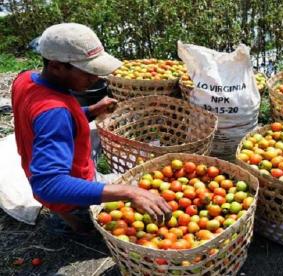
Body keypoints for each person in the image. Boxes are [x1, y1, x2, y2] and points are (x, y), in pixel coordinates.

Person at [11, 23, 172, 235]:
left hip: (45, 174)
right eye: (88, 71)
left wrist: (90, 111)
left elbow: (43, 117)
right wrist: (129, 192)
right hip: (71, 197)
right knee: (114, 215)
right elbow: (48, 184)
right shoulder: (54, 113)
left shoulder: (25, 80)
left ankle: (70, 221)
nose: (96, 78)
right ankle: (78, 225)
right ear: (56, 66)